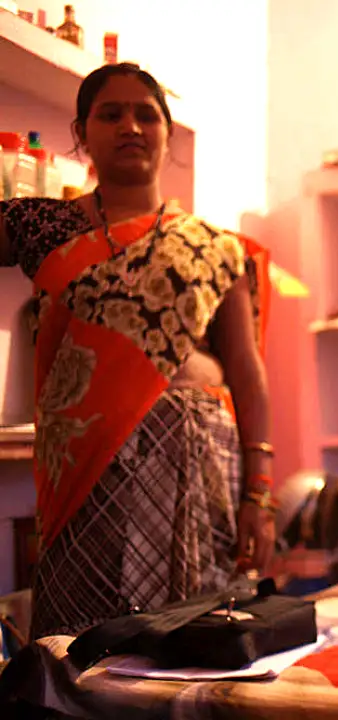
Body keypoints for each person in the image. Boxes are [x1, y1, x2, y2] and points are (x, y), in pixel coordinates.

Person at [0, 63, 277, 639]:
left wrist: (261, 494)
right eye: (111, 113)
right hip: (85, 485)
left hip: (198, 486)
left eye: (146, 114)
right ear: (81, 133)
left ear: (167, 135)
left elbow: (248, 375)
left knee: (194, 657)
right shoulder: (45, 227)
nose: (131, 125)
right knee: (79, 654)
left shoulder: (217, 249)